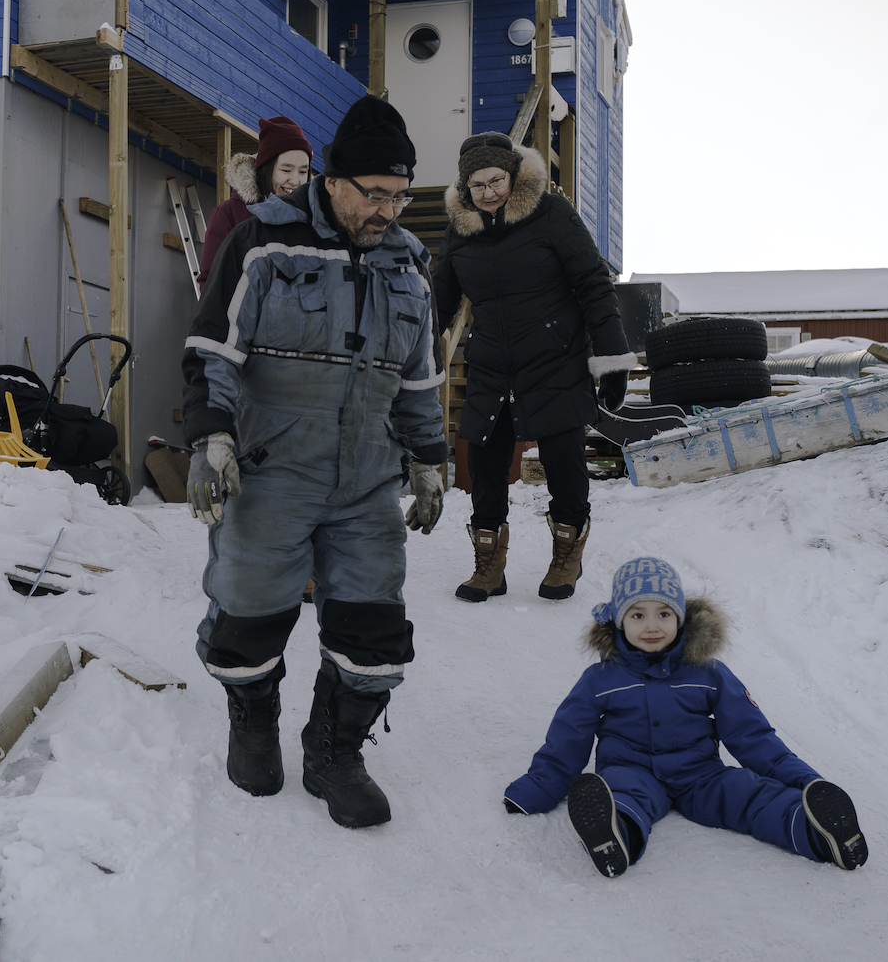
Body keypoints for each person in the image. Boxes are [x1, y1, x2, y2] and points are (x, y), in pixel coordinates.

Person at [181, 94, 447, 829]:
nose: (388, 210)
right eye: (375, 193)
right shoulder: (265, 244)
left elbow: (419, 377)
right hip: (271, 471)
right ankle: (253, 721)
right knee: (248, 617)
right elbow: (213, 350)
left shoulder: (408, 267)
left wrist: (427, 458)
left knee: (373, 626)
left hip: (366, 479)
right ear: (332, 181)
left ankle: (334, 751)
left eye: (400, 195)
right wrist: (212, 438)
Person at [503, 557, 870, 878]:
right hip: (632, 770)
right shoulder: (601, 679)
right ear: (618, 621)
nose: (652, 626)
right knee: (622, 796)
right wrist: (537, 789)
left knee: (748, 794)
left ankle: (820, 833)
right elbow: (567, 740)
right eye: (637, 614)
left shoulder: (708, 672)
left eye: (664, 613)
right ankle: (613, 838)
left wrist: (805, 782)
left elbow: (751, 734)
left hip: (701, 775)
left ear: (680, 617)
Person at [432, 131, 635, 603]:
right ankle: (489, 566)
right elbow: (437, 304)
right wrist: (412, 363)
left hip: (555, 360)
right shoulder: (459, 230)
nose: (487, 192)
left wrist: (612, 358)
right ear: (464, 188)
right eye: (476, 185)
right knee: (483, 463)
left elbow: (592, 286)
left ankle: (566, 557)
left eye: (495, 180)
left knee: (563, 463)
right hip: (491, 365)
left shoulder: (552, 215)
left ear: (513, 175)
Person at [197, 115, 314, 288]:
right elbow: (211, 282)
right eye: (286, 170)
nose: (295, 181)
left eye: (303, 172)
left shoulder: (313, 219)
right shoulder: (229, 213)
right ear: (267, 168)